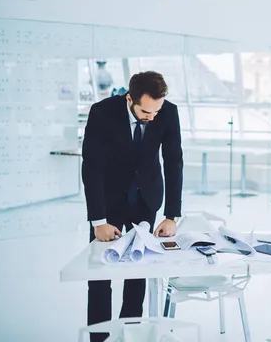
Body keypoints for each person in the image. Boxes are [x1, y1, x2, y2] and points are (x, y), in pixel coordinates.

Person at [82, 71, 184, 342]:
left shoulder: (168, 112)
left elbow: (174, 162)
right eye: (146, 111)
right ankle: (100, 338)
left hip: (146, 200)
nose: (152, 117)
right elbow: (91, 166)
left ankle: (130, 334)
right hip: (108, 201)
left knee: (138, 272)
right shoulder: (102, 112)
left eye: (157, 111)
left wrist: (172, 215)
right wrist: (98, 221)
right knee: (100, 277)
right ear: (130, 99)